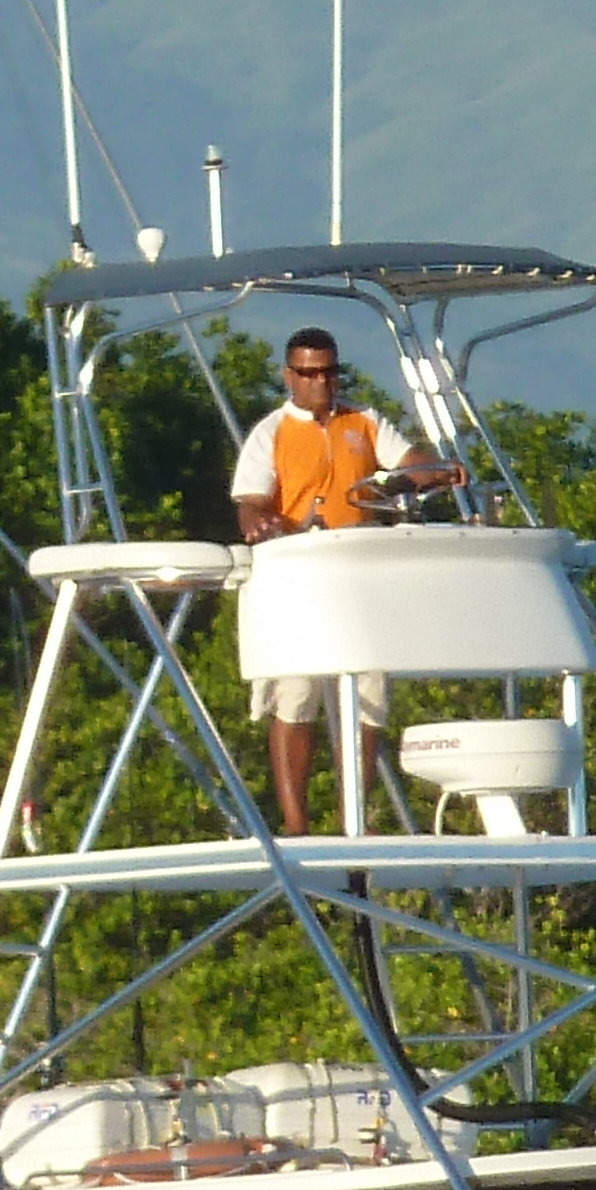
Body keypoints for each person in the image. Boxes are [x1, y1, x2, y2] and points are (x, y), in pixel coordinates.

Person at [227, 327, 461, 830]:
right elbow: (250, 501)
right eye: (309, 373)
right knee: (295, 696)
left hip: (360, 581)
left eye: (329, 372)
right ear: (290, 376)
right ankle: (296, 825)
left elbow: (406, 461)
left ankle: (353, 817)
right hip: (299, 581)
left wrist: (436, 469)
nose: (321, 383)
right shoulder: (272, 431)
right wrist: (259, 525)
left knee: (368, 700)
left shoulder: (363, 421)